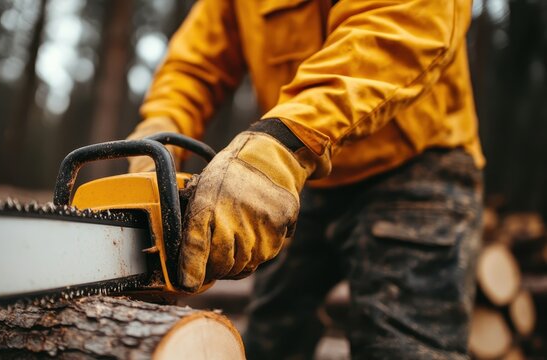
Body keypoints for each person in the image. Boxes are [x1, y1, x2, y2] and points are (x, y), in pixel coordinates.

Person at [127, 0, 484, 358]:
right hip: (306, 169)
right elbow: (196, 62)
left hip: (415, 163)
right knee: (272, 338)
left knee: (403, 347)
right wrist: (162, 130)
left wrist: (286, 140)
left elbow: (401, 29)